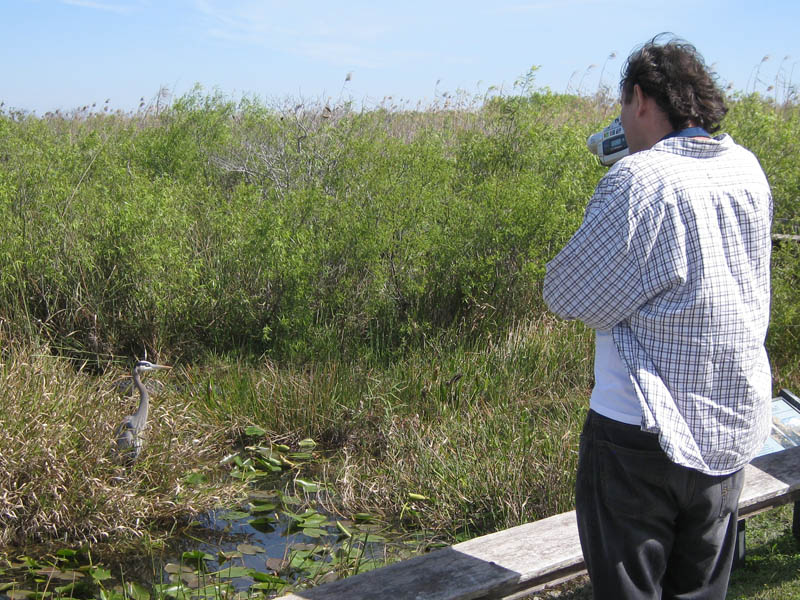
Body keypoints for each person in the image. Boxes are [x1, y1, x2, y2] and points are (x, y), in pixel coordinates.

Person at [543, 35, 773, 599]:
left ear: (642, 99)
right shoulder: (747, 168)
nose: (621, 117)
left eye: (623, 105)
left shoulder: (637, 180)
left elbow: (567, 293)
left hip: (638, 436)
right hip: (730, 427)